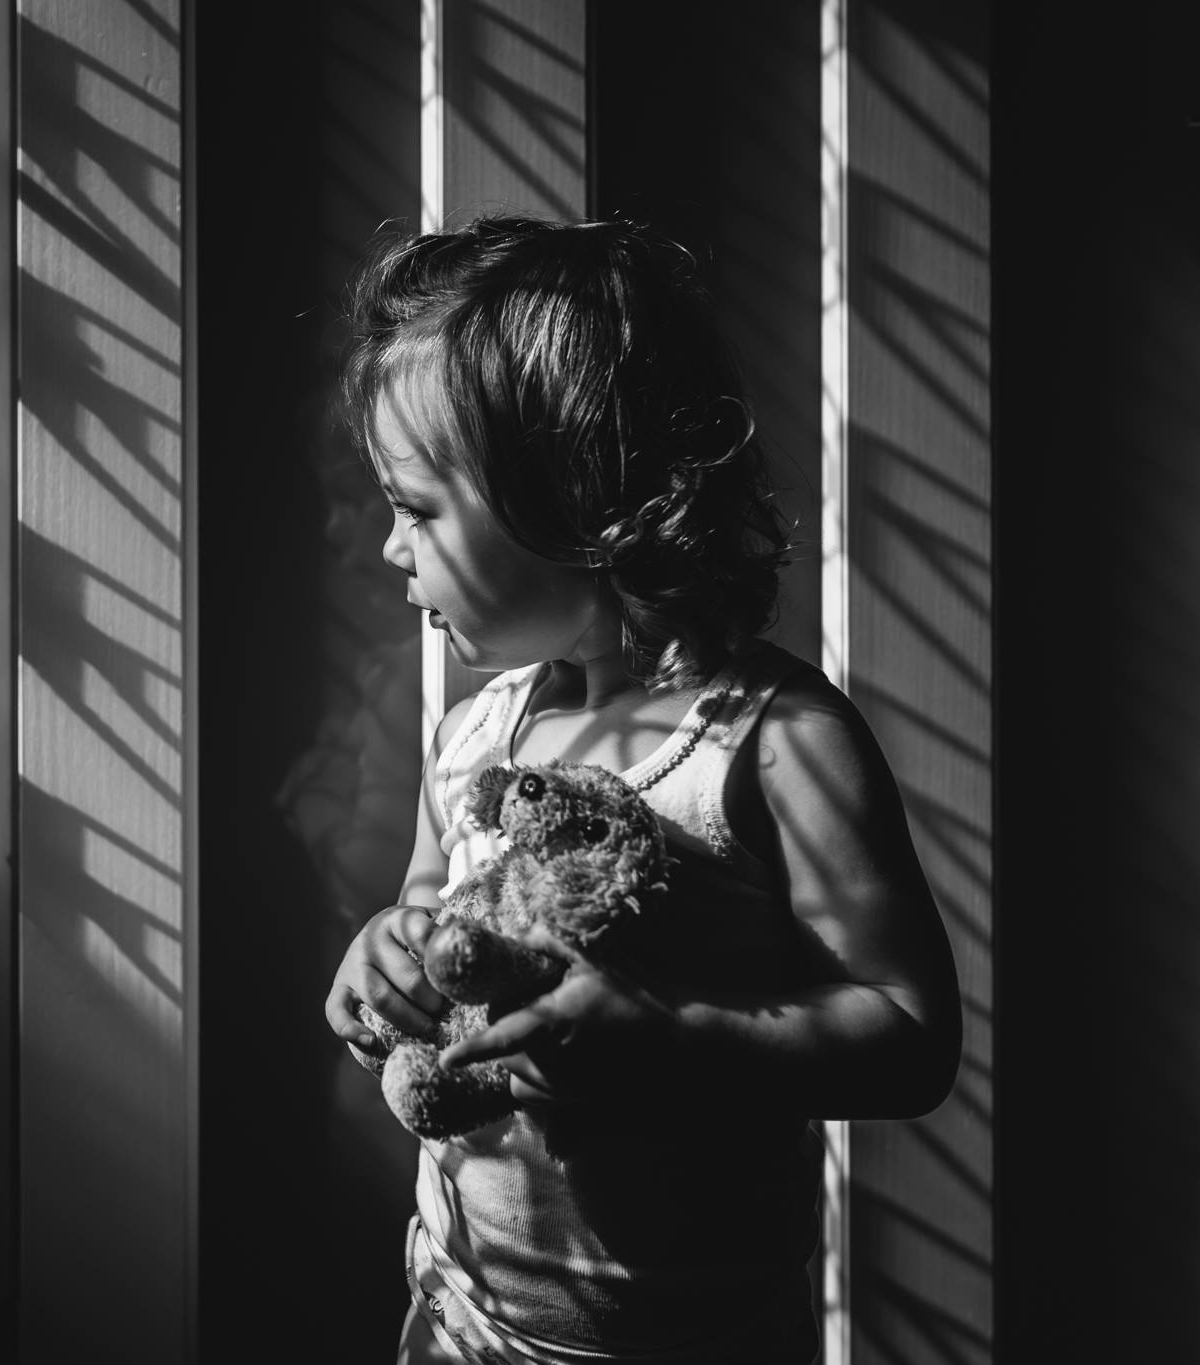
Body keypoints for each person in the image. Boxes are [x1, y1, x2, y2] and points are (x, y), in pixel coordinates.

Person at [322, 216, 963, 1365]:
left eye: (416, 507)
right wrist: (384, 957)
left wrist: (674, 1041)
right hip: (459, 1319)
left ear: (570, 494)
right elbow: (427, 914)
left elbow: (907, 1037)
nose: (388, 547)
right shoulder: (472, 739)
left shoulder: (770, 745)